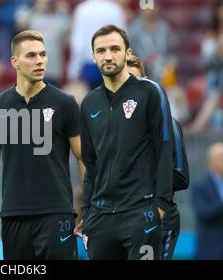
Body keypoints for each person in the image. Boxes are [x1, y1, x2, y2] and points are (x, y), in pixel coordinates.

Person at [0, 30, 85, 260]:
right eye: (31, 56)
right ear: (14, 62)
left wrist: (87, 207)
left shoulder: (65, 103)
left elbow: (83, 158)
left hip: (57, 214)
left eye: (43, 55)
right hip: (14, 216)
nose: (39, 61)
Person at [78, 25, 174, 260]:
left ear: (127, 53)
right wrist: (87, 212)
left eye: (114, 49)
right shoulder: (89, 103)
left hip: (140, 212)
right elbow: (90, 164)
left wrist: (160, 205)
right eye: (101, 51)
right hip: (100, 218)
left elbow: (164, 150)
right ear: (93, 56)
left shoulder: (150, 93)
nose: (108, 56)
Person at [127, 54, 190, 260]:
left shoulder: (168, 123)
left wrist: (135, 179)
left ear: (146, 84)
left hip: (157, 217)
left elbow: (181, 177)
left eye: (135, 80)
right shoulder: (105, 123)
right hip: (117, 217)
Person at [192, 142, 223, 260]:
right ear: (211, 161)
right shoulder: (200, 186)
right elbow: (203, 213)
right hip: (210, 250)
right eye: (221, 157)